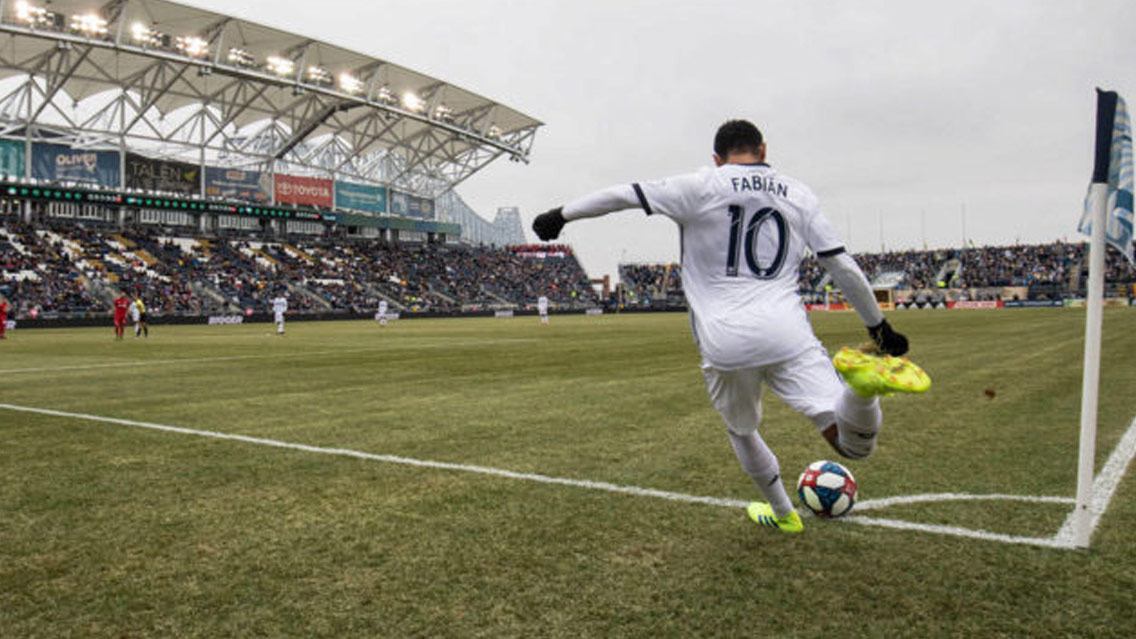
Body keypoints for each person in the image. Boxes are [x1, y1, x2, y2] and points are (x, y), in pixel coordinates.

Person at [532, 119, 929, 534]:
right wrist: (878, 326)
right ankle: (863, 390)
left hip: (725, 339)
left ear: (717, 158)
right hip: (787, 333)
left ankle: (783, 514)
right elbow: (840, 264)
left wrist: (560, 215)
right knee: (852, 446)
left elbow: (622, 195)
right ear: (763, 149)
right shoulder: (798, 193)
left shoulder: (702, 184)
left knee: (741, 429)